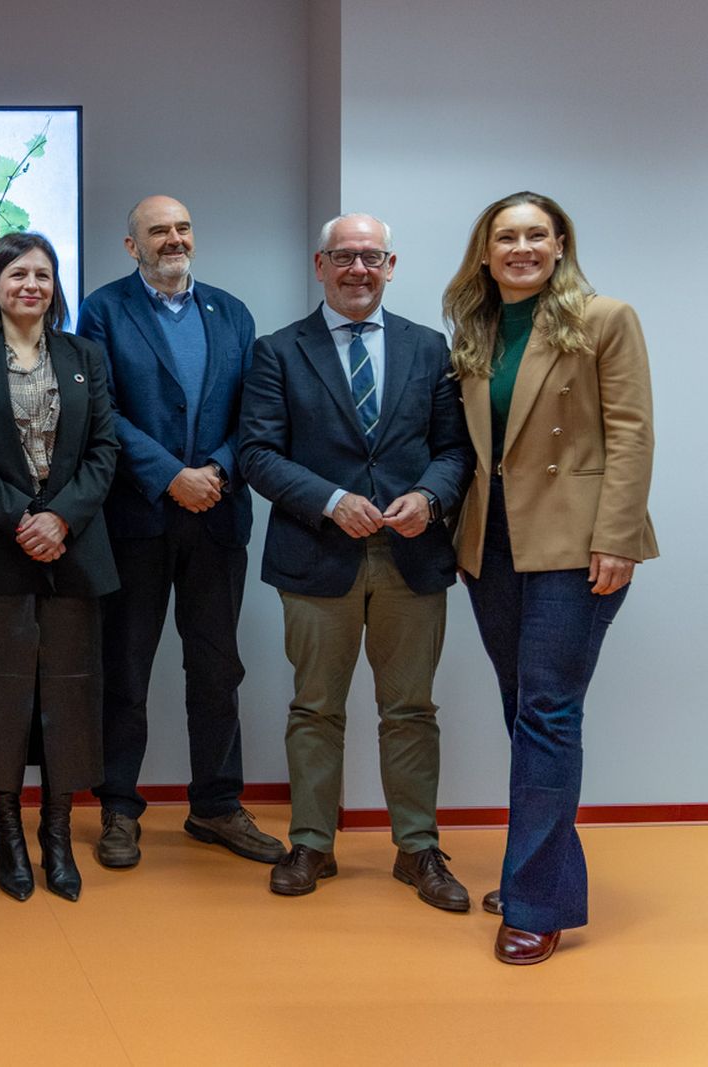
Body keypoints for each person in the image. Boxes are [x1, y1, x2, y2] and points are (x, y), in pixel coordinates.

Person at [443, 191, 657, 964]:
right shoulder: (477, 328)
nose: (522, 247)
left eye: (537, 234)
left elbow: (633, 433)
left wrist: (619, 536)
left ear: (561, 244)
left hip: (577, 546)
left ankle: (536, 900)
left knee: (546, 713)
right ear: (487, 249)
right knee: (523, 707)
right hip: (491, 546)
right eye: (507, 236)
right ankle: (540, 869)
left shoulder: (605, 318)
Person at [239, 213, 473, 907]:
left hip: (413, 556)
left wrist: (431, 498)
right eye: (344, 256)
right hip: (317, 557)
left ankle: (418, 848)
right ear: (320, 266)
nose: (358, 269)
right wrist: (332, 498)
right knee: (315, 707)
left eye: (371, 256)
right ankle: (312, 842)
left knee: (410, 710)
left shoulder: (431, 349)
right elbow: (256, 451)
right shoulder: (279, 351)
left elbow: (456, 450)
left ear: (391, 265)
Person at [76, 195, 283, 869]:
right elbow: (101, 413)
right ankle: (118, 808)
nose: (175, 239)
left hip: (218, 516)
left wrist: (216, 471)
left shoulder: (232, 312)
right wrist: (170, 476)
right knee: (125, 668)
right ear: (132, 246)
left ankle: (217, 805)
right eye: (158, 230)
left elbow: (254, 411)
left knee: (218, 667)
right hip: (137, 517)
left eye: (183, 227)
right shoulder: (104, 310)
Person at [0, 232, 119, 902]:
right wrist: (19, 515)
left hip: (74, 549)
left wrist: (61, 517)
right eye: (18, 274)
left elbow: (105, 447)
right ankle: (7, 836)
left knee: (70, 694)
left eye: (43, 275)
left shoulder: (84, 356)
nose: (31, 285)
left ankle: (55, 835)